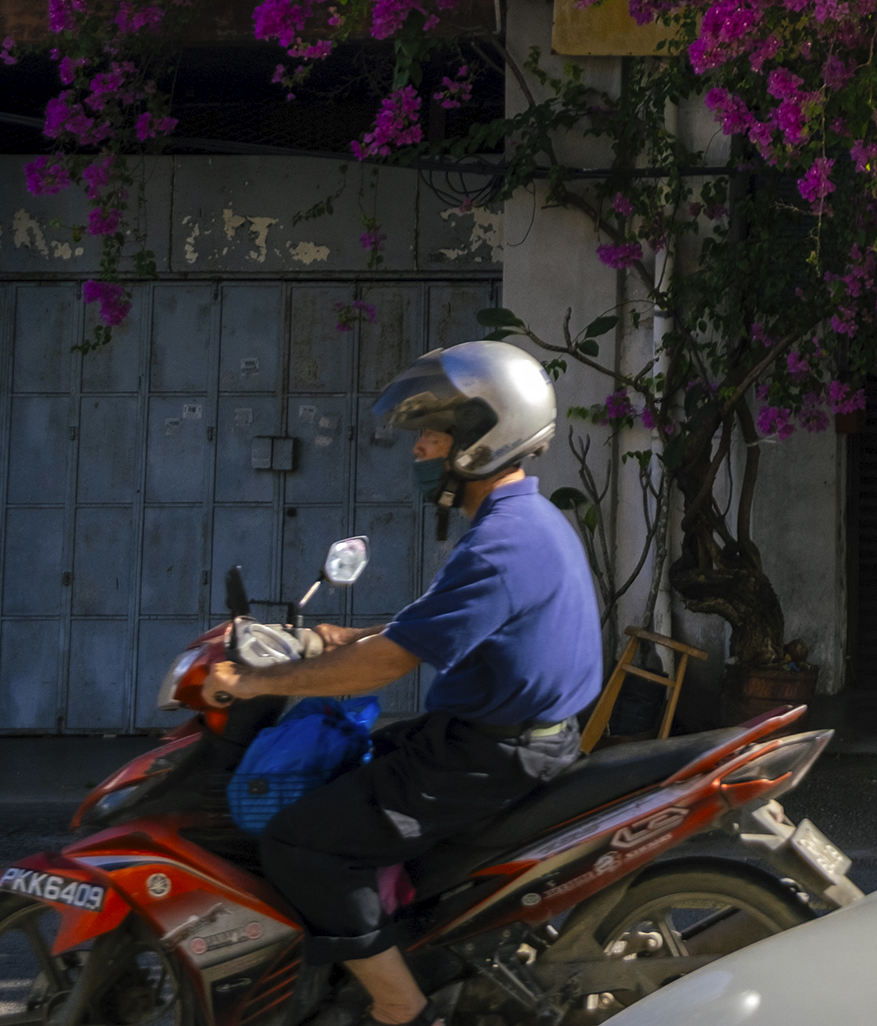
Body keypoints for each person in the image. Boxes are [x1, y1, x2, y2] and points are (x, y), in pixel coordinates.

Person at [202, 340, 603, 1026]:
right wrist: (333, 638)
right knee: (346, 782)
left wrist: (257, 683)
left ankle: (399, 1004)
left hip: (486, 754)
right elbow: (427, 630)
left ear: (479, 441)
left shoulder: (502, 544)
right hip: (492, 738)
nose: (418, 451)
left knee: (301, 844)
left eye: (431, 435)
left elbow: (394, 662)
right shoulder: (517, 524)